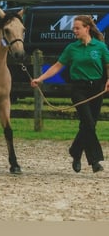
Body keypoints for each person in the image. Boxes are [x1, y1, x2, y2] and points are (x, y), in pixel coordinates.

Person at [31, 15, 109, 173]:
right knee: (88, 123)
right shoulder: (72, 48)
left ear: (87, 28)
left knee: (89, 125)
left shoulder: (100, 47)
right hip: (79, 89)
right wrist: (40, 78)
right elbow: (57, 66)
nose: (74, 31)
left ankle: (76, 151)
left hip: (97, 89)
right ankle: (94, 161)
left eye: (77, 28)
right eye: (73, 28)